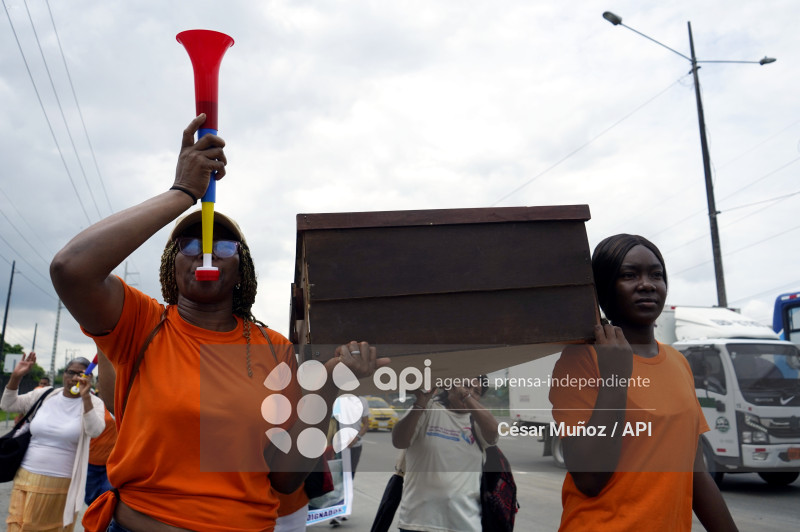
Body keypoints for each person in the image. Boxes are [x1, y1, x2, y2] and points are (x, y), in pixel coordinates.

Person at [49, 114, 387, 532]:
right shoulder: (140, 322)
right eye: (189, 243)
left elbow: (285, 478)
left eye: (222, 244)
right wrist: (182, 193)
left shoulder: (274, 347)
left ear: (242, 267)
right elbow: (70, 268)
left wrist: (330, 386)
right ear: (171, 265)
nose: (204, 252)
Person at [549, 234, 737, 531]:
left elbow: (694, 469)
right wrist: (615, 377)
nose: (647, 284)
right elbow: (589, 480)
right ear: (603, 289)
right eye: (629, 275)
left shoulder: (678, 363)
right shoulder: (581, 360)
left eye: (656, 275)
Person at [1, 353, 105, 531]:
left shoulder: (94, 403)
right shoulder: (45, 395)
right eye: (70, 372)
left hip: (60, 484)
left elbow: (95, 430)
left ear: (89, 378)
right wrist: (16, 377)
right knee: (16, 525)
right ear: (63, 374)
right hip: (24, 476)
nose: (74, 378)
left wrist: (86, 397)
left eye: (80, 374)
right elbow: (8, 405)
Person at [391, 377, 498, 532]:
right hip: (418, 523)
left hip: (465, 524)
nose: (470, 392)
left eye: (477, 392)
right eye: (466, 385)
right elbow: (400, 442)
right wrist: (420, 403)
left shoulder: (477, 422)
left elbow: (493, 430)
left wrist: (466, 396)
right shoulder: (427, 410)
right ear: (450, 386)